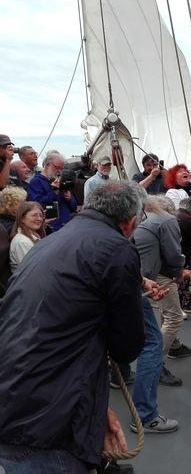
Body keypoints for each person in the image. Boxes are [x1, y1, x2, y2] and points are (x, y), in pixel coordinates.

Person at [0, 181, 147, 473]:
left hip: (14, 392)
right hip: (47, 421)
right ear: (130, 223)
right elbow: (126, 346)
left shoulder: (53, 240)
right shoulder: (117, 249)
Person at [132, 194, 191, 387]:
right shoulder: (167, 220)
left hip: (138, 274)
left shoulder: (143, 218)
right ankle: (157, 365)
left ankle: (173, 344)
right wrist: (179, 271)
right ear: (170, 209)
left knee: (164, 313)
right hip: (156, 275)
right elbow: (173, 254)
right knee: (174, 316)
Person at [28, 152, 77, 231]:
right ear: (47, 165)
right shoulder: (36, 182)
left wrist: (69, 199)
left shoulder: (60, 181)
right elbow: (37, 205)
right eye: (57, 167)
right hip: (51, 228)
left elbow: (73, 207)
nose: (60, 171)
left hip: (67, 226)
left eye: (62, 168)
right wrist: (53, 192)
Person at [9, 201, 46, 273]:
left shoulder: (35, 237)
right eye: (34, 215)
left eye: (41, 215)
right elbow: (31, 271)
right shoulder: (22, 242)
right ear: (22, 218)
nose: (39, 219)